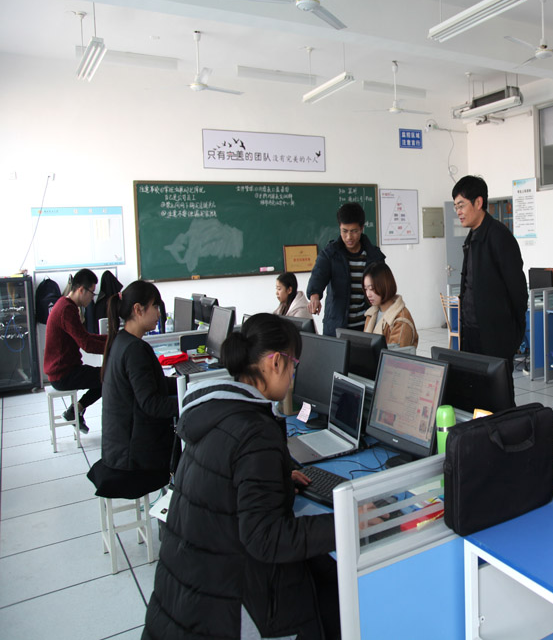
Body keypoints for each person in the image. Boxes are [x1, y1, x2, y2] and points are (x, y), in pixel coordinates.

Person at [143, 314, 340, 640]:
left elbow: (225, 479)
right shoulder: (254, 433)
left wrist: (276, 478)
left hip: (184, 596)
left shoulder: (216, 411)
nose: (293, 376)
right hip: (224, 610)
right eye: (294, 366)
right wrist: (350, 522)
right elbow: (267, 539)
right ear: (276, 362)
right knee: (330, 591)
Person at [86, 281, 178, 499]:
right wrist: (190, 400)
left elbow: (152, 385)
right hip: (135, 463)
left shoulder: (121, 341)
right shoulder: (136, 349)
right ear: (138, 309)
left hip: (119, 452)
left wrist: (191, 387)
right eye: (155, 306)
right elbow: (152, 405)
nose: (159, 313)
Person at [452, 175, 527, 373]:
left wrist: (514, 335)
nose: (458, 212)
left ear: (478, 202)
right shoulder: (472, 237)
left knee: (497, 390)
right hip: (471, 333)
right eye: (456, 207)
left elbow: (518, 291)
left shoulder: (499, 237)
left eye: (461, 205)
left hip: (495, 337)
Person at [43, 268, 107, 433]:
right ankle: (76, 409)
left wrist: (111, 339)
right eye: (92, 293)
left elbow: (85, 336)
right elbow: (87, 344)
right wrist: (113, 345)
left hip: (64, 370)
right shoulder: (67, 310)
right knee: (109, 376)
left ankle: (75, 409)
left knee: (107, 374)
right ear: (81, 290)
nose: (92, 298)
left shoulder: (65, 304)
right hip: (63, 374)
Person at [307, 202, 385, 336]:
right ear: (339, 227)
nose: (349, 237)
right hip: (337, 327)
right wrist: (314, 296)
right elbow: (318, 276)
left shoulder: (374, 256)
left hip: (367, 326)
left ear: (362, 228)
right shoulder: (330, 254)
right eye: (345, 231)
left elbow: (384, 286)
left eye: (354, 231)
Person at [362, 261, 418, 348]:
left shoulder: (401, 320)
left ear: (385, 285)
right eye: (366, 289)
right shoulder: (371, 314)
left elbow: (394, 354)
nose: (368, 294)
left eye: (372, 288)